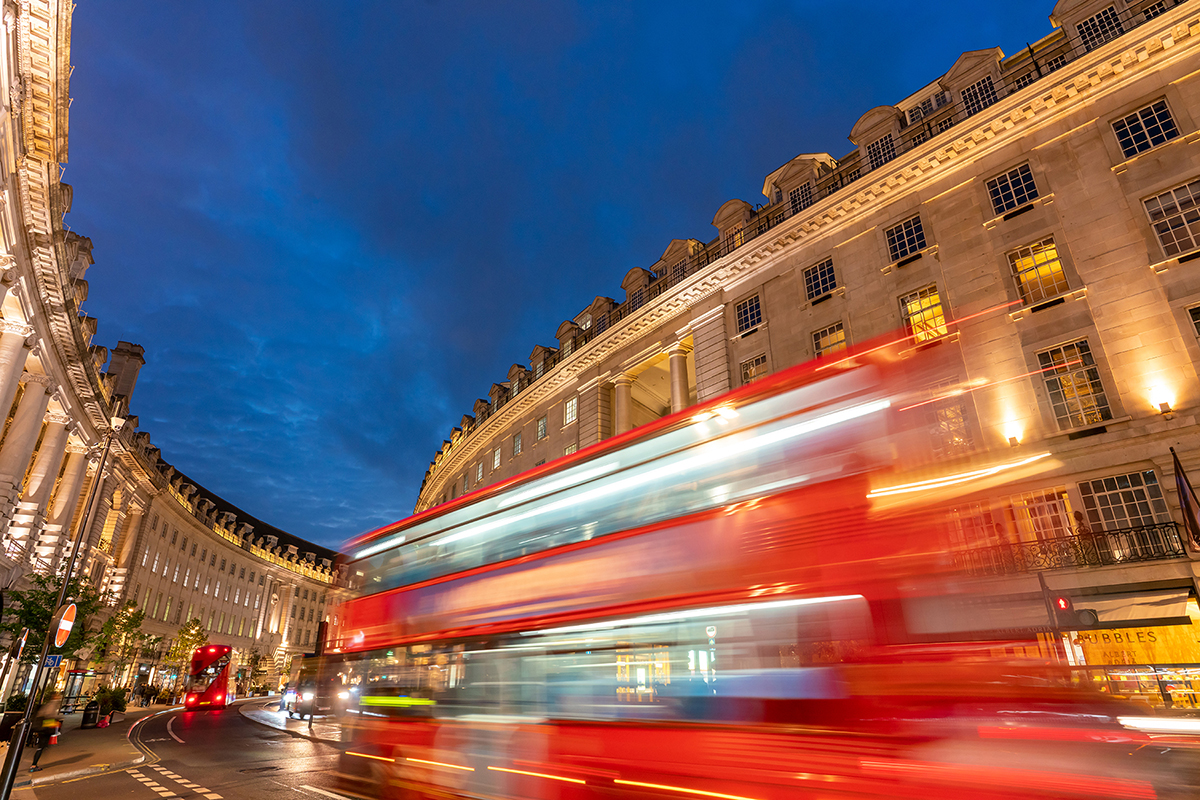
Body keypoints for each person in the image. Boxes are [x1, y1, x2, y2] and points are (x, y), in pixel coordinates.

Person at [28, 691, 62, 772]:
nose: (59, 697)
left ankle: (35, 763)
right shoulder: (52, 704)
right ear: (54, 697)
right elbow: (49, 715)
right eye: (57, 696)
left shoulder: (49, 704)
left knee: (42, 746)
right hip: (45, 728)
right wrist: (57, 719)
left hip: (43, 727)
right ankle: (34, 765)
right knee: (41, 746)